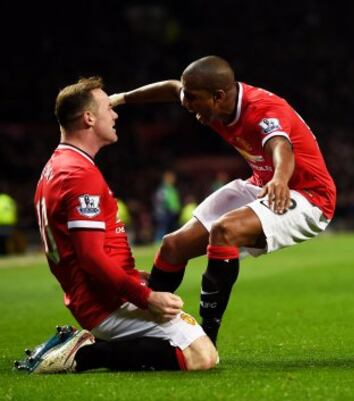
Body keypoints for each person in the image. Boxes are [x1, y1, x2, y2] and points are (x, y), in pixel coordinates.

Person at [110, 55, 337, 345]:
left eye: (193, 99)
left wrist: (280, 178)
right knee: (173, 246)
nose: (186, 104)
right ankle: (144, 327)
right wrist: (119, 99)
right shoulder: (207, 95)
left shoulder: (263, 110)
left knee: (224, 231)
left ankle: (206, 338)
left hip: (308, 195)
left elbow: (281, 146)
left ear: (219, 97)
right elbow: (171, 87)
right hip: (262, 184)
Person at [20, 76, 217, 374]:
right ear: (88, 118)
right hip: (105, 301)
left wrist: (131, 275)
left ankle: (89, 348)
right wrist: (146, 297)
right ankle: (83, 354)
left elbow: (77, 249)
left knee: (194, 349)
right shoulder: (78, 173)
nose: (115, 114)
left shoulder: (57, 166)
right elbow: (90, 257)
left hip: (95, 295)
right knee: (202, 357)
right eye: (107, 107)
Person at [153, 170, 181, 242]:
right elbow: (161, 201)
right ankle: (158, 242)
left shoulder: (172, 189)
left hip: (171, 213)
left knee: (170, 229)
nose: (173, 180)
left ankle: (170, 242)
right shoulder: (164, 189)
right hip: (164, 212)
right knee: (162, 228)